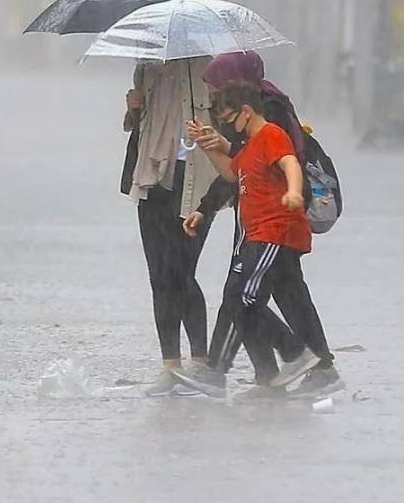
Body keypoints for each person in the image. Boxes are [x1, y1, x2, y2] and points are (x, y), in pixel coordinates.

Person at [175, 53, 343, 400]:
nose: (214, 103)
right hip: (260, 218)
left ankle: (272, 363)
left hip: (274, 220)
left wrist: (294, 192)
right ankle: (289, 373)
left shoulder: (269, 115)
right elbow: (237, 169)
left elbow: (283, 161)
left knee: (241, 295)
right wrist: (206, 202)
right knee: (284, 295)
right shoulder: (245, 120)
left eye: (218, 93)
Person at [122, 57, 218, 396]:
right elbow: (137, 124)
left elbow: (228, 122)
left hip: (196, 180)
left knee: (181, 272)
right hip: (151, 178)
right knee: (159, 276)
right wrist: (133, 108)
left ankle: (201, 362)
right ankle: (171, 366)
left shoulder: (207, 67)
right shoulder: (146, 66)